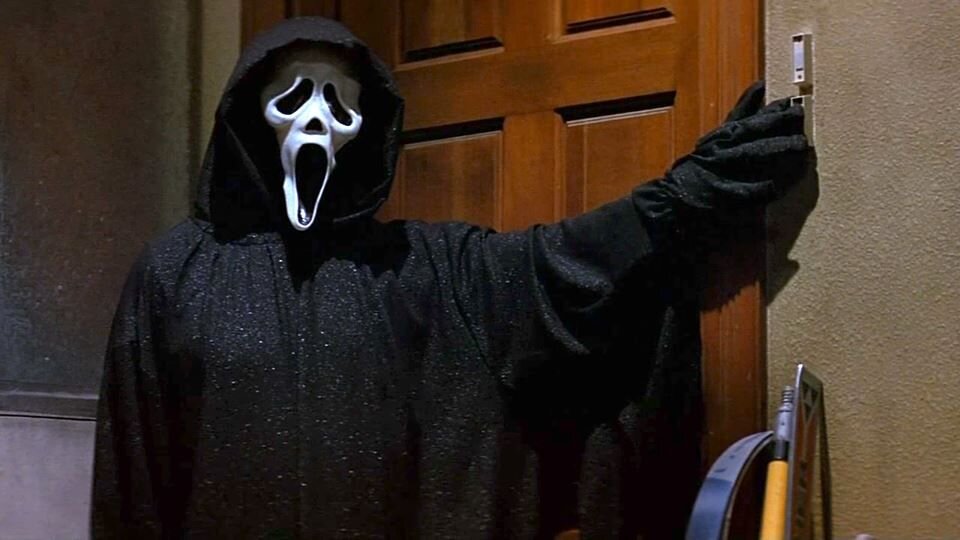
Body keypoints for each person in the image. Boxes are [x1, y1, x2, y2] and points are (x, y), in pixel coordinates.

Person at [92, 17, 808, 539]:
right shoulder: (176, 273)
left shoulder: (425, 269)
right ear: (251, 116)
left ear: (366, 130)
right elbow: (134, 480)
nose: (315, 122)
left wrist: (684, 197)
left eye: (339, 105)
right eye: (293, 98)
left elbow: (562, 269)